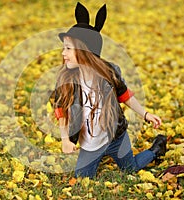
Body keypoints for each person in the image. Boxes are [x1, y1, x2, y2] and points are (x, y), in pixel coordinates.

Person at [54, 2, 167, 179]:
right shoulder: (67, 80)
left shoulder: (109, 73)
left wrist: (145, 114)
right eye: (64, 48)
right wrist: (65, 140)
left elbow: (125, 96)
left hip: (116, 139)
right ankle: (97, 157)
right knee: (82, 178)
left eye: (68, 48)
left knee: (130, 169)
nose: (63, 53)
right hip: (90, 145)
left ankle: (156, 149)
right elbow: (60, 111)